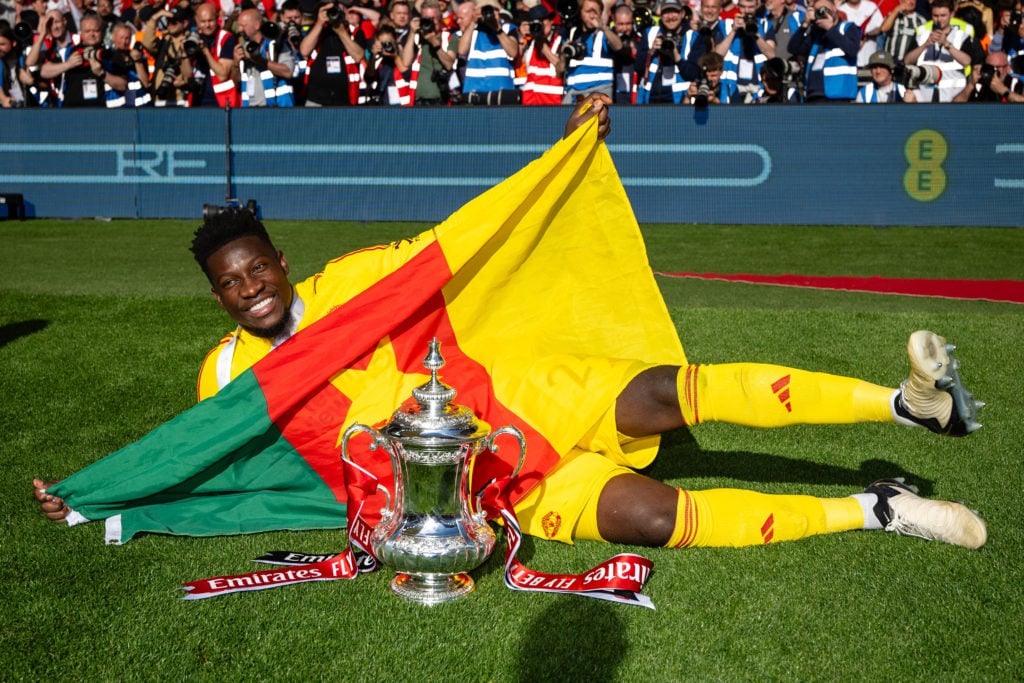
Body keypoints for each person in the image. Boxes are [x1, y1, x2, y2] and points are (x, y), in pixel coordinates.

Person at [35, 95, 987, 553]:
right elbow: (216, 456)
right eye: (230, 286)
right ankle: (880, 508)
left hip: (517, 390)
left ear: (280, 261)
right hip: (478, 478)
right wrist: (107, 492)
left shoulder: (350, 283)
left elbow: (457, 244)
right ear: (219, 298)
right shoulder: (223, 373)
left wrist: (559, 154)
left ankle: (905, 407)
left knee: (660, 389)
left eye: (255, 270)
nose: (249, 291)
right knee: (649, 519)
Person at [903, 0, 975, 102]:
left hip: (953, 96)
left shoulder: (961, 36)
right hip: (925, 95)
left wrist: (947, 44)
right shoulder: (922, 35)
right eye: (935, 16)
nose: (939, 19)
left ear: (951, 14)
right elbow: (907, 61)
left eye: (943, 15)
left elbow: (967, 61)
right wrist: (925, 45)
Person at [789, 0, 860, 101]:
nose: (821, 13)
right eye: (817, 10)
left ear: (834, 9)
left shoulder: (847, 27)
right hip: (813, 93)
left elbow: (852, 50)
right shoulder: (816, 33)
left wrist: (830, 28)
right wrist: (805, 24)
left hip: (838, 93)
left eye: (824, 9)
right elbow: (794, 49)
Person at [452, 0, 519, 105]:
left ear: (497, 12)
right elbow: (462, 51)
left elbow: (513, 52)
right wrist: (473, 21)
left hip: (501, 93)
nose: (487, 14)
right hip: (474, 92)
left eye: (490, 10)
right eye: (483, 10)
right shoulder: (471, 31)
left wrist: (497, 29)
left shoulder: (507, 28)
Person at [299, 0, 365, 106]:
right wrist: (320, 23)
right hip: (316, 98)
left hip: (345, 99)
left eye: (335, 10)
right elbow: (304, 51)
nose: (332, 13)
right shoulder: (316, 30)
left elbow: (358, 56)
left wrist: (341, 31)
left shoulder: (355, 32)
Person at [714, 0, 776, 103]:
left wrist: (755, 34)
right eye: (743, 7)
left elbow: (771, 54)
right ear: (737, 6)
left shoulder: (765, 25)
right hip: (732, 85)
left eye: (750, 7)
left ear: (757, 6)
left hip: (758, 86)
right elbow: (717, 55)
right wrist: (733, 30)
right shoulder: (725, 24)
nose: (746, 11)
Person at [561, 0, 622, 101]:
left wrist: (603, 28)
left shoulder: (605, 34)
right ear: (580, 13)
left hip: (598, 91)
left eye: (595, 12)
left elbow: (618, 46)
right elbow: (559, 70)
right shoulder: (571, 34)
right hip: (572, 92)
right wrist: (563, 55)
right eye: (588, 11)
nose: (592, 16)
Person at [234, 6, 296, 105]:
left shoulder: (275, 45)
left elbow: (288, 72)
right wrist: (236, 64)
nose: (239, 29)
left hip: (275, 109)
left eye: (243, 25)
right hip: (249, 111)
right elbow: (236, 82)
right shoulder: (244, 48)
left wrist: (260, 60)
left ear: (257, 25)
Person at [636, 0, 694, 104]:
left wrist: (675, 54)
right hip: (651, 98)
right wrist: (651, 52)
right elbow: (639, 68)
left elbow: (693, 73)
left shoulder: (692, 36)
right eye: (666, 12)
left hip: (680, 99)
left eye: (674, 11)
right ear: (661, 15)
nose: (670, 17)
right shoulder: (650, 33)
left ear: (682, 13)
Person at [399, 0, 457, 105]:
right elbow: (406, 62)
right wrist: (412, 32)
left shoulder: (449, 37)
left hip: (441, 100)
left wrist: (434, 42)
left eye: (432, 18)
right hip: (418, 100)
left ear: (440, 18)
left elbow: (449, 64)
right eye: (426, 19)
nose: (429, 22)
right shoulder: (417, 38)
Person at [191, 2, 240, 107]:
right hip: (197, 101)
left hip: (221, 102)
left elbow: (222, 75)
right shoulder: (193, 39)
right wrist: (184, 55)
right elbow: (187, 75)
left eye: (210, 21)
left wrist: (206, 52)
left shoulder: (227, 38)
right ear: (197, 21)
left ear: (217, 18)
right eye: (203, 22)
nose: (207, 25)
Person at [519, 3, 564, 105]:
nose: (541, 25)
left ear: (551, 21)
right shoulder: (529, 44)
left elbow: (561, 67)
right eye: (537, 22)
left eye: (543, 20)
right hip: (530, 104)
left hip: (552, 104)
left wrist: (541, 44)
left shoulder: (559, 41)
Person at [953, 48, 1024, 101]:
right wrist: (971, 85)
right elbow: (954, 108)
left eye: (996, 68)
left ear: (1007, 68)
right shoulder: (980, 85)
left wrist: (1003, 90)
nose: (992, 72)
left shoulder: (1015, 84)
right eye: (989, 68)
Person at [877, 0, 925, 65]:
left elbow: (924, 41)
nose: (911, 2)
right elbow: (884, 29)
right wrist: (896, 10)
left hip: (909, 63)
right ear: (901, 1)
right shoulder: (893, 16)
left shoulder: (921, 20)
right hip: (890, 60)